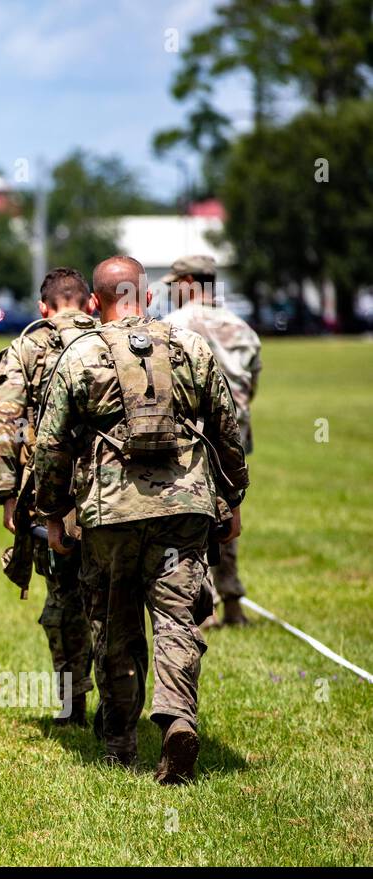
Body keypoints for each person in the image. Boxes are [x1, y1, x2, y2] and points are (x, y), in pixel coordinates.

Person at [34, 256, 248, 784]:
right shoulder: (191, 347)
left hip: (110, 514)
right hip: (184, 507)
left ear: (93, 303)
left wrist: (54, 513)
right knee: (178, 618)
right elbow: (227, 428)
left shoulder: (80, 353)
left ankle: (120, 743)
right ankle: (177, 718)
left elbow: (52, 444)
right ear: (148, 297)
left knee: (115, 622)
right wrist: (233, 499)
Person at [0, 267, 99, 725]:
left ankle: (72, 704)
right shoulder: (114, 337)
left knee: (64, 599)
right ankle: (120, 708)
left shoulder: (25, 347)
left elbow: (6, 424)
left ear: (43, 307)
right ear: (91, 303)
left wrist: (7, 494)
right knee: (113, 600)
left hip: (55, 496)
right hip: (115, 491)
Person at [161, 254, 262, 626]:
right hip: (235, 432)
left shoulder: (173, 326)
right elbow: (252, 384)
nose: (171, 292)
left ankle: (205, 607)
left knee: (193, 518)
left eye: (174, 285)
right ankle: (233, 600)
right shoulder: (241, 326)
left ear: (188, 281)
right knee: (229, 511)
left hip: (194, 433)